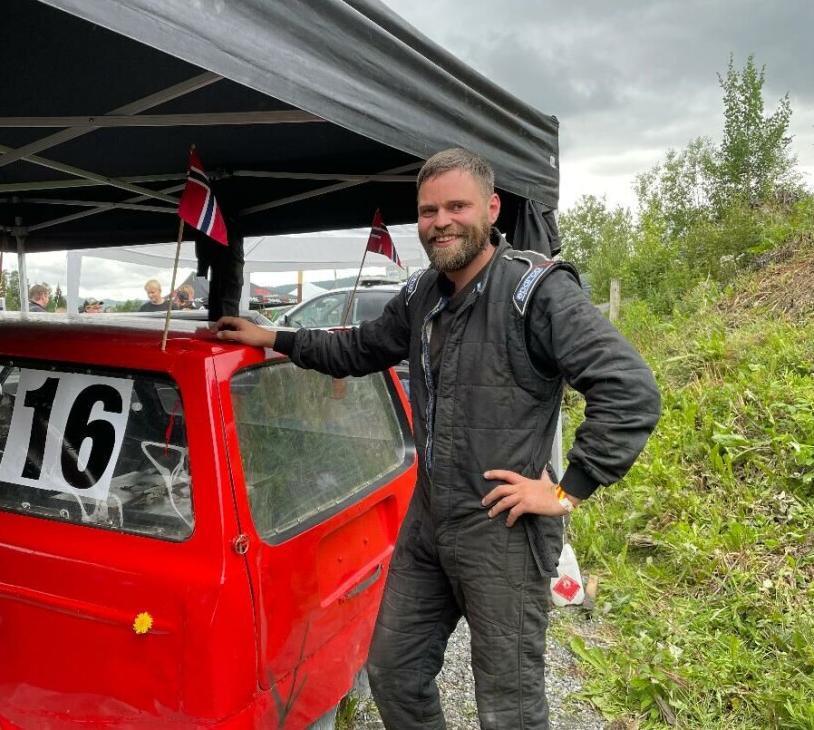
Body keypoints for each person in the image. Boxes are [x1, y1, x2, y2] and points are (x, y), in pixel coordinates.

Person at [211, 148, 661, 729]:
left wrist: (567, 490)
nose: (441, 221)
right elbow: (358, 348)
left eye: (457, 206)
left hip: (502, 529)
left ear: (491, 208)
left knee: (510, 708)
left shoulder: (536, 292)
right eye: (428, 211)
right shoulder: (423, 293)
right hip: (429, 521)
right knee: (394, 674)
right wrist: (275, 337)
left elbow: (629, 388)